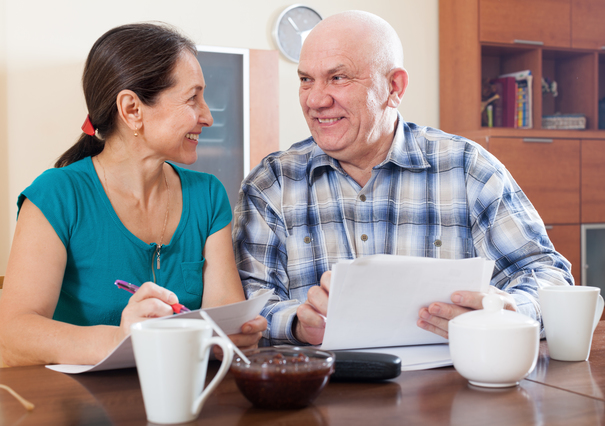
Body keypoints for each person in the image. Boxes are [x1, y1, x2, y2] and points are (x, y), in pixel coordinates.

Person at [232, 11, 573, 346]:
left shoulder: (468, 169)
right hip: (321, 393)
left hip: (448, 392)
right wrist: (297, 324)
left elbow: (548, 277)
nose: (316, 99)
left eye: (338, 78)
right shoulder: (270, 183)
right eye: (306, 79)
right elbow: (249, 304)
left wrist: (510, 310)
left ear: (394, 87)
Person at [0, 22, 266, 366]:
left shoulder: (208, 195)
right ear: (131, 110)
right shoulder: (56, 195)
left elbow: (221, 321)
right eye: (192, 98)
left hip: (186, 399)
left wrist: (232, 337)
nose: (208, 116)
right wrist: (126, 340)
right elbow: (11, 336)